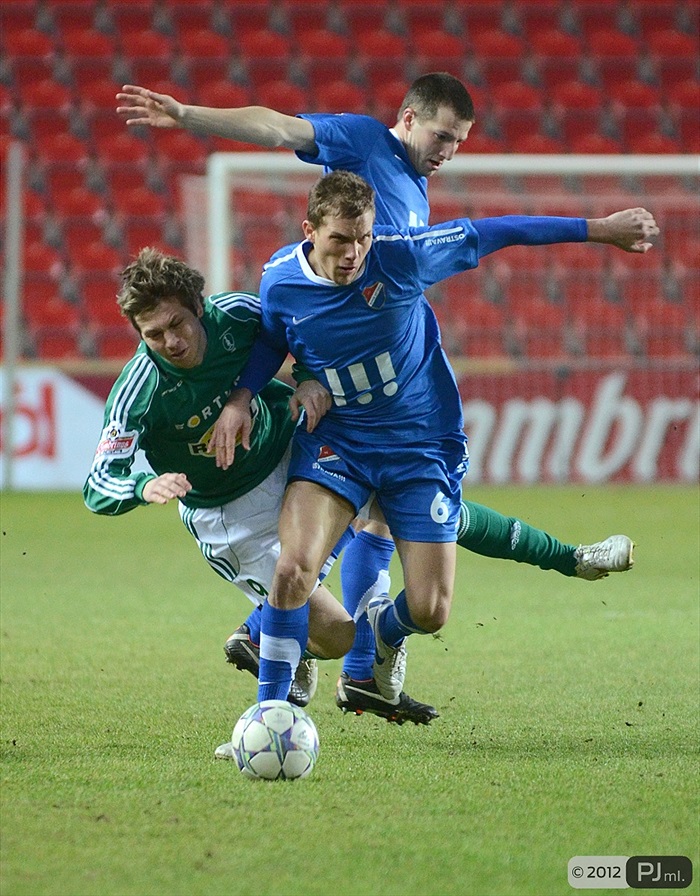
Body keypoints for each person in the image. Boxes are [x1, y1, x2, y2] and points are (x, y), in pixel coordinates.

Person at [117, 73, 640, 710]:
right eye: (443, 134)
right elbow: (281, 128)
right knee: (311, 556)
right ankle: (278, 686)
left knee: (426, 595)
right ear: (409, 117)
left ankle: (344, 650)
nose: (450, 149)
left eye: (460, 140)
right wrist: (188, 112)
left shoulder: (404, 227)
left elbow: (490, 233)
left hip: (413, 416)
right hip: (343, 427)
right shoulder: (362, 147)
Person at [213, 169, 658, 707]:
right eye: (339, 240)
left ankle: (380, 632)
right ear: (309, 230)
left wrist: (599, 228)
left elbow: (500, 230)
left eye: (363, 237)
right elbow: (271, 340)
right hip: (341, 443)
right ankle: (271, 712)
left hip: (420, 444)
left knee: (430, 610)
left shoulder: (401, 258)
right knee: (292, 570)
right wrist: (241, 398)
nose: (354, 252)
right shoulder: (280, 279)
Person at [82, 248, 442, 752]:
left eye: (176, 324)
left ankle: (290, 666)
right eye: (153, 335)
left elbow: (300, 338)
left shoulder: (239, 313)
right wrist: (144, 485)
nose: (170, 342)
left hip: (286, 456)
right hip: (231, 514)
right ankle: (281, 649)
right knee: (337, 635)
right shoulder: (141, 386)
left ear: (198, 307)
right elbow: (98, 482)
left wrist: (306, 378)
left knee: (383, 493)